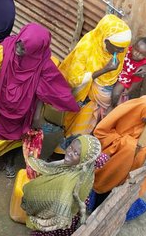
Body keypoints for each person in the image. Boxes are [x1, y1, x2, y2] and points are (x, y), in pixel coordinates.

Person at [0, 23, 79, 185]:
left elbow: (47, 92)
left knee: (17, 139)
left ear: (35, 51)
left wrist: (37, 117)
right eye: (19, 42)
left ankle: (9, 161)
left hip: (24, 113)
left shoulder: (43, 66)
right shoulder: (8, 47)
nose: (18, 48)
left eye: (24, 48)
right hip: (0, 107)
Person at [54, 14, 131, 155]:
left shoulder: (118, 47)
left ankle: (69, 154)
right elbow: (75, 79)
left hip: (93, 101)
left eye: (123, 49)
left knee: (81, 131)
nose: (121, 52)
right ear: (105, 39)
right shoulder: (87, 48)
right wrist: (105, 70)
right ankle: (57, 155)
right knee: (68, 127)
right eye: (118, 48)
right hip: (80, 96)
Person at [93, 94, 146, 218]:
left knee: (117, 200)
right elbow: (102, 132)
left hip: (133, 172)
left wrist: (142, 154)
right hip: (113, 163)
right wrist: (129, 147)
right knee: (101, 196)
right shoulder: (145, 106)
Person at [21, 135, 101, 234]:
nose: (70, 153)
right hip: (72, 211)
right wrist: (33, 160)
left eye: (76, 153)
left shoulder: (68, 184)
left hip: (56, 223)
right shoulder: (83, 168)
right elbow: (49, 166)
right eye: (71, 147)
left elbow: (59, 219)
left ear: (84, 160)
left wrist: (36, 222)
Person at [110, 37, 146, 109]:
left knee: (116, 93)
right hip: (115, 71)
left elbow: (137, 80)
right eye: (136, 50)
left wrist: (129, 91)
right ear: (133, 46)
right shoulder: (126, 50)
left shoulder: (142, 66)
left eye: (141, 54)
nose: (137, 54)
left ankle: (113, 107)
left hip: (124, 79)